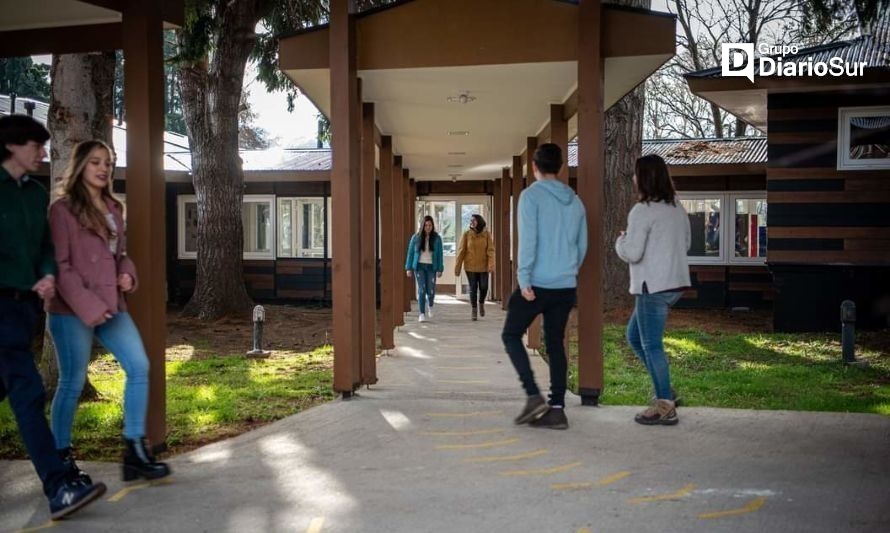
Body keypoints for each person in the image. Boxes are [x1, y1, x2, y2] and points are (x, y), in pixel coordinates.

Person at [0, 115, 107, 519]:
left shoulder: (32, 194)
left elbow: (45, 246)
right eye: (36, 146)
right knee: (27, 394)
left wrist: (46, 274)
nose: (43, 154)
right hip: (0, 309)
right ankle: (58, 484)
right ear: (12, 145)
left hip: (23, 308)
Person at [47, 140, 170, 481]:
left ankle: (134, 451)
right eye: (96, 162)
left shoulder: (114, 207)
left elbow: (121, 255)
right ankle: (60, 458)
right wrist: (89, 307)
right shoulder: (62, 210)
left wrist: (128, 273)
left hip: (113, 304)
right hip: (71, 310)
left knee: (139, 366)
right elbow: (61, 266)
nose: (103, 169)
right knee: (71, 382)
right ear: (81, 166)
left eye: (109, 163)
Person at [502, 143, 587, 430]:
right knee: (555, 344)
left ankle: (533, 395)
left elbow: (529, 241)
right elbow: (581, 245)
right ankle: (558, 409)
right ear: (561, 167)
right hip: (565, 285)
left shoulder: (530, 197)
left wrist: (524, 279)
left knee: (511, 334)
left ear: (534, 168)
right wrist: (568, 271)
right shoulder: (575, 202)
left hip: (536, 284)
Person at [615, 154, 691, 426]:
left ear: (644, 178)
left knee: (651, 344)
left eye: (636, 174)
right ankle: (666, 390)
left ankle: (664, 405)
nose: (634, 179)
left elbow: (633, 253)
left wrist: (620, 242)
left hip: (652, 287)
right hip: (675, 284)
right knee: (634, 337)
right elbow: (687, 243)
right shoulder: (676, 208)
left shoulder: (643, 210)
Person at [454, 214, 495, 321]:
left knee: (484, 287)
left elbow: (490, 250)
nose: (471, 222)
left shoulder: (487, 234)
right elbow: (461, 251)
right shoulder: (466, 234)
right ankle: (474, 309)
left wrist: (491, 264)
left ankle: (481, 303)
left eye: (474, 220)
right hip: (470, 266)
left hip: (483, 266)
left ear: (479, 222)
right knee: (473, 288)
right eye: (471, 220)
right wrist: (457, 267)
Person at [405, 215, 444, 322]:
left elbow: (440, 254)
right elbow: (410, 253)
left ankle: (430, 305)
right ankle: (421, 313)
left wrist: (440, 269)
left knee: (430, 290)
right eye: (426, 225)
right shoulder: (416, 237)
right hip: (419, 267)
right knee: (422, 290)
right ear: (422, 226)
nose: (428, 227)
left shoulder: (437, 238)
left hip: (432, 267)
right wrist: (408, 268)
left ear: (432, 226)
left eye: (430, 225)